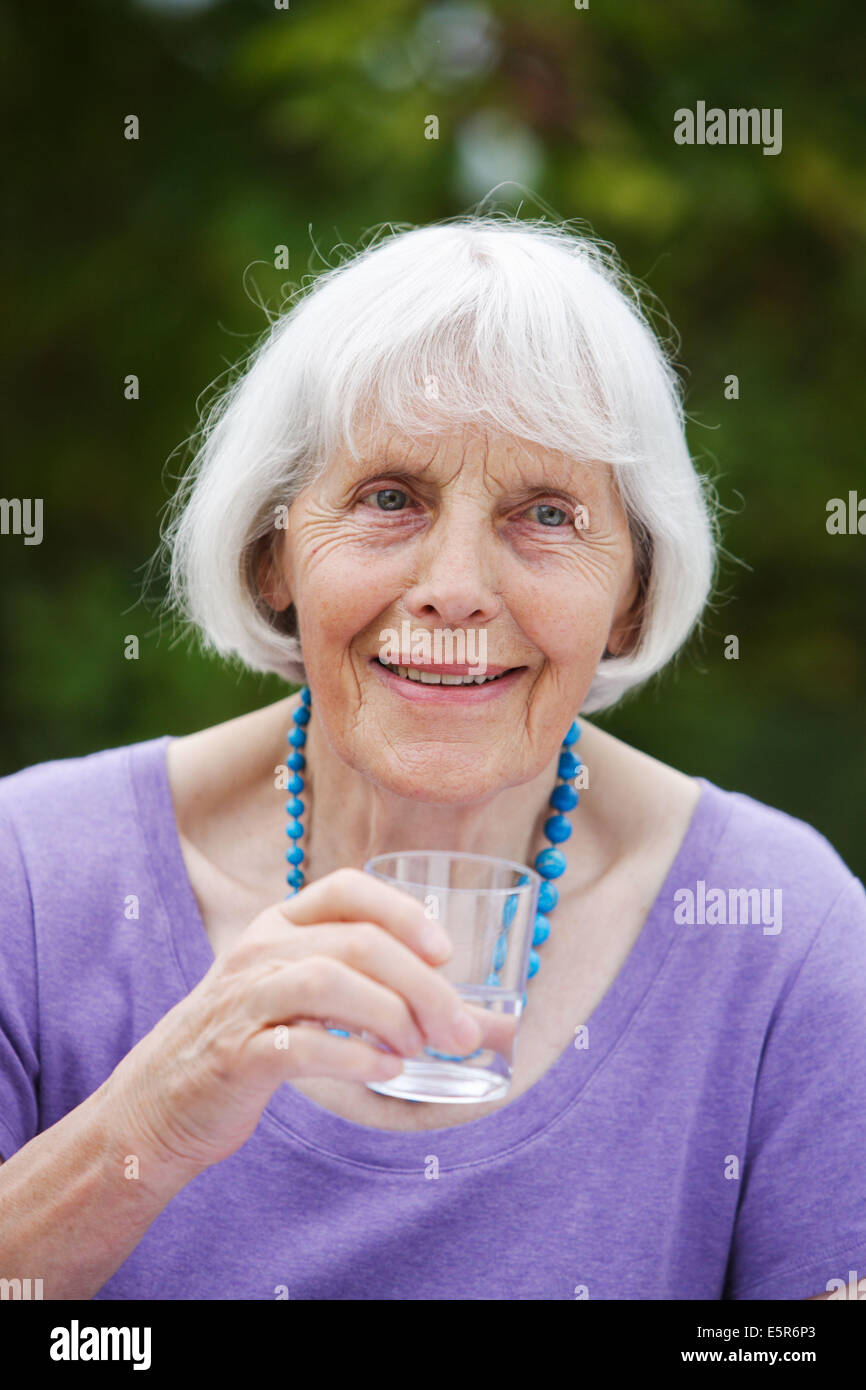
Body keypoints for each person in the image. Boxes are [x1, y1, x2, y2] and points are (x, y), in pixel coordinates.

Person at [1, 216, 864, 1302]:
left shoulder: (779, 929)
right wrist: (153, 1119)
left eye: (544, 513)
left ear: (632, 592)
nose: (455, 584)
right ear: (274, 555)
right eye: (389, 497)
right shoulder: (33, 878)